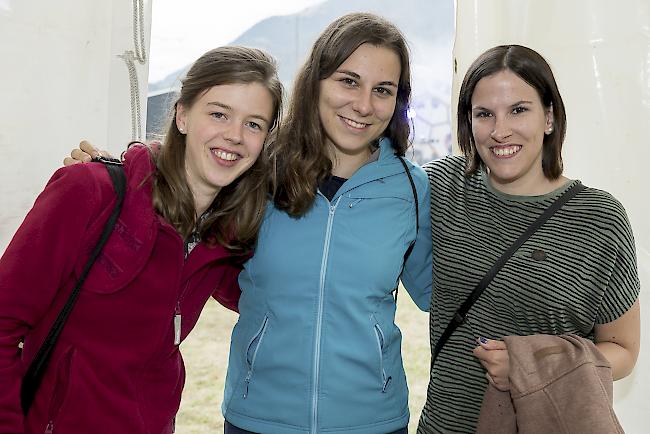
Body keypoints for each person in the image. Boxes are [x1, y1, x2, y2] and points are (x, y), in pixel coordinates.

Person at [69, 12, 432, 434]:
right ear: (316, 81)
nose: (364, 104)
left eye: (382, 90)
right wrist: (117, 172)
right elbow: (188, 178)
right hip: (257, 417)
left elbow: (437, 294)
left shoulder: (411, 187)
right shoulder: (257, 169)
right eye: (348, 81)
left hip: (372, 420)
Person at [0, 46, 282, 434]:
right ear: (182, 115)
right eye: (219, 113)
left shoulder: (224, 237)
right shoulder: (90, 191)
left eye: (254, 124)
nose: (234, 136)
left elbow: (269, 298)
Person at [417, 44, 641, 433]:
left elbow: (623, 351)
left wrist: (530, 366)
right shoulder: (442, 187)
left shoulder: (600, 218)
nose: (500, 130)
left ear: (549, 117)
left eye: (518, 110)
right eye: (484, 114)